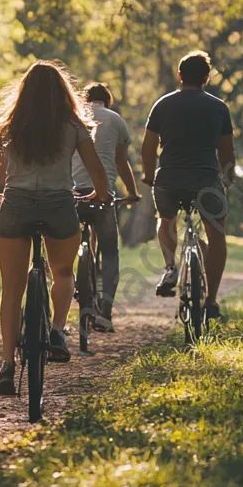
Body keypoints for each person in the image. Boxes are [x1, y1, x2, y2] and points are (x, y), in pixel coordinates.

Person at [0, 61, 110, 395]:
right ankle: (55, 330)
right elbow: (96, 170)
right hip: (59, 206)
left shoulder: (7, 126)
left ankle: (7, 364)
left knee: (12, 287)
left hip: (16, 205)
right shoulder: (72, 124)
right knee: (63, 272)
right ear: (62, 92)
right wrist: (100, 194)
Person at [140, 50, 236, 320]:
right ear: (207, 77)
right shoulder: (219, 107)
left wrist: (149, 175)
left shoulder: (163, 104)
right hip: (206, 180)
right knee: (216, 234)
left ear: (180, 76)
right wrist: (227, 180)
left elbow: (147, 149)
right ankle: (212, 301)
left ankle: (170, 266)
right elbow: (227, 153)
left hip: (169, 179)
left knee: (166, 218)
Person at [71, 82, 141, 332]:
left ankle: (73, 288)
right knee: (110, 251)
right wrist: (132, 193)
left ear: (85, 99)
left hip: (73, 195)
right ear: (107, 101)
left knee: (65, 247)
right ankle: (106, 313)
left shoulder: (72, 117)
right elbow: (122, 163)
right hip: (103, 197)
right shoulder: (116, 121)